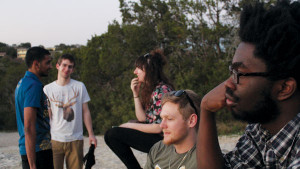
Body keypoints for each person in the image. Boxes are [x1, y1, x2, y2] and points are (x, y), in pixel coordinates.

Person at [197, 0, 300, 168]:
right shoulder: (260, 131)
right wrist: (206, 109)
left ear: (284, 88)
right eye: (232, 72)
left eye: (240, 74)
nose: (228, 84)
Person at [104, 49, 174, 169]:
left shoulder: (162, 90)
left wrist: (128, 126)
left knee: (112, 134)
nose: (135, 71)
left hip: (164, 140)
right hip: (156, 137)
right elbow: (142, 118)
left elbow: (158, 127)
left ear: (148, 70)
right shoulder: (151, 89)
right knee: (113, 133)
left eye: (138, 68)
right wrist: (135, 94)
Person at [43, 54, 97, 169]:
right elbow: (47, 115)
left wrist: (91, 134)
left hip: (75, 139)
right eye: (64, 65)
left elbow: (85, 111)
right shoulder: (47, 89)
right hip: (55, 139)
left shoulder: (79, 86)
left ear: (73, 69)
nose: (67, 69)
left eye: (70, 67)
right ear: (57, 66)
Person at [15, 47, 53, 169]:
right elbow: (29, 126)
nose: (50, 66)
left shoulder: (23, 82)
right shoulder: (33, 86)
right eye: (47, 62)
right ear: (36, 64)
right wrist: (32, 164)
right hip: (38, 151)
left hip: (32, 150)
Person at [144, 90, 201, 169]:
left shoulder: (204, 160)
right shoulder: (158, 149)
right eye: (162, 118)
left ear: (191, 121)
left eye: (169, 119)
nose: (162, 125)